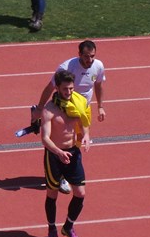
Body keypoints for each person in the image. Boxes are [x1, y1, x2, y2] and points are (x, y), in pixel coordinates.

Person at [33, 39, 106, 193]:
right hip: (65, 108)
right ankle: (61, 175)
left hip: (84, 109)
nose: (90, 60)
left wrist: (100, 106)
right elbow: (50, 87)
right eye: (86, 56)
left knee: (78, 140)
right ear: (79, 54)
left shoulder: (98, 66)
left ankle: (69, 168)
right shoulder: (66, 68)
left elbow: (98, 85)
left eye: (92, 56)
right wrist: (40, 108)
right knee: (63, 139)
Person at [40, 69, 91, 237]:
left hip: (73, 153)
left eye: (71, 88)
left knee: (80, 193)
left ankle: (68, 227)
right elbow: (45, 139)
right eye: (65, 89)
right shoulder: (49, 110)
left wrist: (85, 135)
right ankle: (52, 228)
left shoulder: (77, 102)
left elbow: (83, 121)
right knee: (52, 194)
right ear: (57, 88)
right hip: (54, 155)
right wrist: (59, 152)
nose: (69, 92)